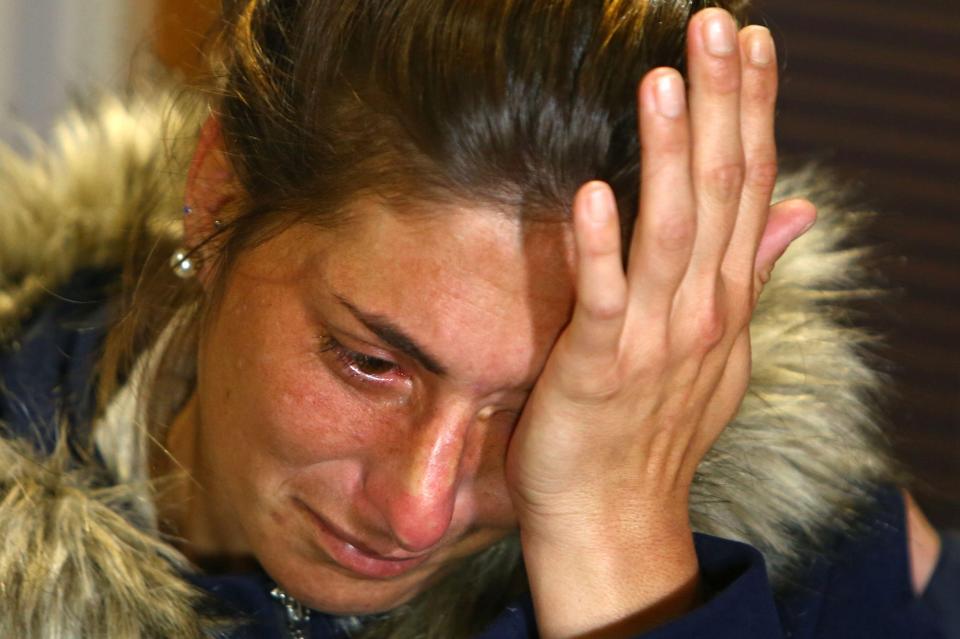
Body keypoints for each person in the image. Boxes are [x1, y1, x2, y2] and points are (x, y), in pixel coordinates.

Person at [0, 1, 954, 637]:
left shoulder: (825, 556)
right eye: (371, 362)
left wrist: (616, 542)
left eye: (545, 400)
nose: (419, 507)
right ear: (214, 197)